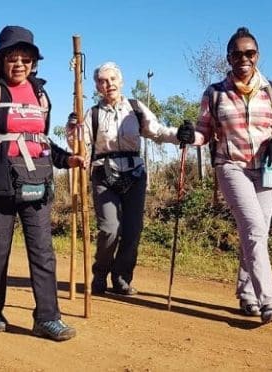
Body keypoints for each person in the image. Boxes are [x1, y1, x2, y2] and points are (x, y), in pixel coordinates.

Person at [0, 25, 85, 341]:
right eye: (13, 58)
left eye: (25, 59)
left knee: (43, 252)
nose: (19, 65)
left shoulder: (41, 95)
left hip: (36, 183)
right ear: (1, 60)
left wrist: (67, 158)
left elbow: (40, 140)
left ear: (33, 61)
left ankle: (47, 318)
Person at [176, 27, 272, 324]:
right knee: (253, 227)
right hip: (231, 166)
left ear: (258, 55)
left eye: (249, 53)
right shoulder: (215, 93)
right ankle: (269, 301)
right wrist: (190, 136)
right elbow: (204, 132)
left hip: (266, 169)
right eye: (237, 53)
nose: (244, 58)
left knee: (257, 233)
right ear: (228, 58)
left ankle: (247, 294)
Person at [67, 62, 178, 297]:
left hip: (135, 174)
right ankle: (100, 275)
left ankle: (121, 278)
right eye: (102, 81)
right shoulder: (92, 114)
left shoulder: (136, 108)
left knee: (132, 229)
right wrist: (71, 129)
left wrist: (181, 135)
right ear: (97, 86)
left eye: (112, 79)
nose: (108, 85)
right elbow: (79, 146)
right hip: (103, 174)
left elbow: (157, 131)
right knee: (109, 229)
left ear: (121, 81)